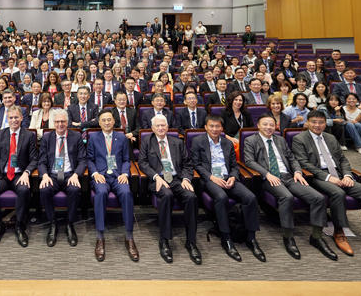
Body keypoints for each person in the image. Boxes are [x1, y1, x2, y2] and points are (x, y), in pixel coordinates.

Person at [291, 110, 361, 256]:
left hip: (339, 174)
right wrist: (328, 177)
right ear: (308, 123)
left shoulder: (330, 137)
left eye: (321, 122)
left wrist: (348, 175)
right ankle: (339, 231)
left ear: (325, 124)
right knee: (338, 192)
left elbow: (342, 159)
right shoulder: (299, 139)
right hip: (318, 177)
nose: (317, 125)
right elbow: (303, 163)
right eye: (314, 122)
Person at [244, 115, 337, 260]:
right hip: (269, 178)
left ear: (275, 126)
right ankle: (288, 237)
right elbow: (249, 161)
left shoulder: (280, 140)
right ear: (258, 125)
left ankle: (317, 237)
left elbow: (292, 158)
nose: (268, 127)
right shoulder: (251, 140)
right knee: (286, 197)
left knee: (318, 198)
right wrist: (267, 174)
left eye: (271, 125)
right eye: (265, 124)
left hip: (288, 176)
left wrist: (298, 172)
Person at [191, 115, 264, 262]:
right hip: (210, 179)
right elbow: (196, 164)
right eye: (211, 126)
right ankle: (226, 238)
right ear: (205, 127)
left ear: (222, 128)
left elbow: (234, 165)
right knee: (221, 197)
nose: (214, 129)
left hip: (227, 177)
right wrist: (211, 177)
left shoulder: (227, 143)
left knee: (250, 198)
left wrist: (233, 177)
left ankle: (251, 237)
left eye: (217, 126)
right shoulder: (198, 141)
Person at [139, 114, 201, 265]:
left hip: (177, 179)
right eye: (158, 126)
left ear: (167, 127)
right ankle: (164, 240)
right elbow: (143, 163)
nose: (161, 128)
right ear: (152, 128)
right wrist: (156, 177)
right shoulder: (147, 141)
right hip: (158, 179)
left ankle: (191, 241)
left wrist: (186, 179)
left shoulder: (177, 142)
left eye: (163, 125)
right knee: (166, 195)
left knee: (191, 197)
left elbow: (187, 164)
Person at [88, 109, 139, 262]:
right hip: (101, 176)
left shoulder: (122, 137)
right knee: (101, 193)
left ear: (114, 121)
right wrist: (95, 173)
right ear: (99, 123)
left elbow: (126, 159)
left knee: (126, 193)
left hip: (118, 176)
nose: (107, 122)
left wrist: (125, 173)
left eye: (109, 119)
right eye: (103, 120)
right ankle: (100, 237)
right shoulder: (93, 138)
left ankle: (129, 237)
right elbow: (89, 159)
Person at [0, 106, 38, 248]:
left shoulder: (29, 135)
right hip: (2, 175)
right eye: (11, 117)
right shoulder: (1, 134)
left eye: (16, 117)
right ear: (7, 119)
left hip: (19, 175)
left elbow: (34, 159)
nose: (14, 120)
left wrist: (26, 173)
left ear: (21, 118)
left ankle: (20, 225)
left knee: (24, 190)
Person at [38, 109, 85, 247]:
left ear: (67, 122)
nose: (60, 124)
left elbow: (83, 160)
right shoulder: (47, 137)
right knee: (44, 189)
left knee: (75, 189)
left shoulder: (76, 136)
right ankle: (53, 223)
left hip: (69, 174)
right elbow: (41, 161)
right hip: (52, 175)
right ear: (53, 123)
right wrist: (44, 175)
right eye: (57, 121)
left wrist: (76, 175)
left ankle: (70, 224)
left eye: (63, 121)